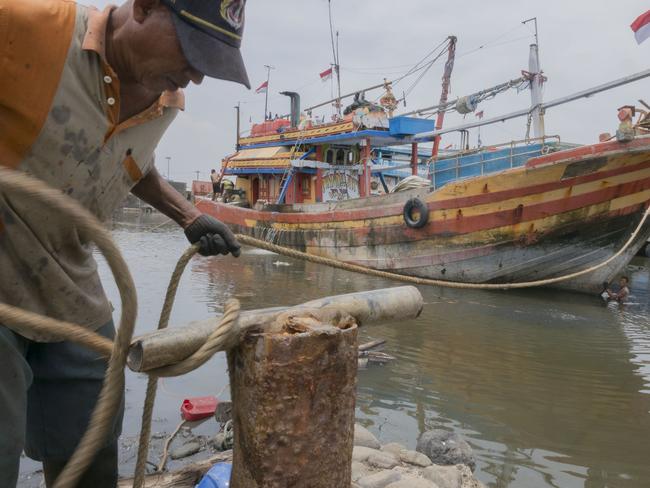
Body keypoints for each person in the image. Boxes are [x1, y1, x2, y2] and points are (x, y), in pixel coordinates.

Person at [0, 0, 250, 486]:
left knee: (92, 439)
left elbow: (129, 161)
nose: (194, 76)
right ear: (145, 7)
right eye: (191, 49)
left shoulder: (167, 101)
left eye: (208, 62)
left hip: (67, 281)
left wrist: (188, 215)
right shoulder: (30, 26)